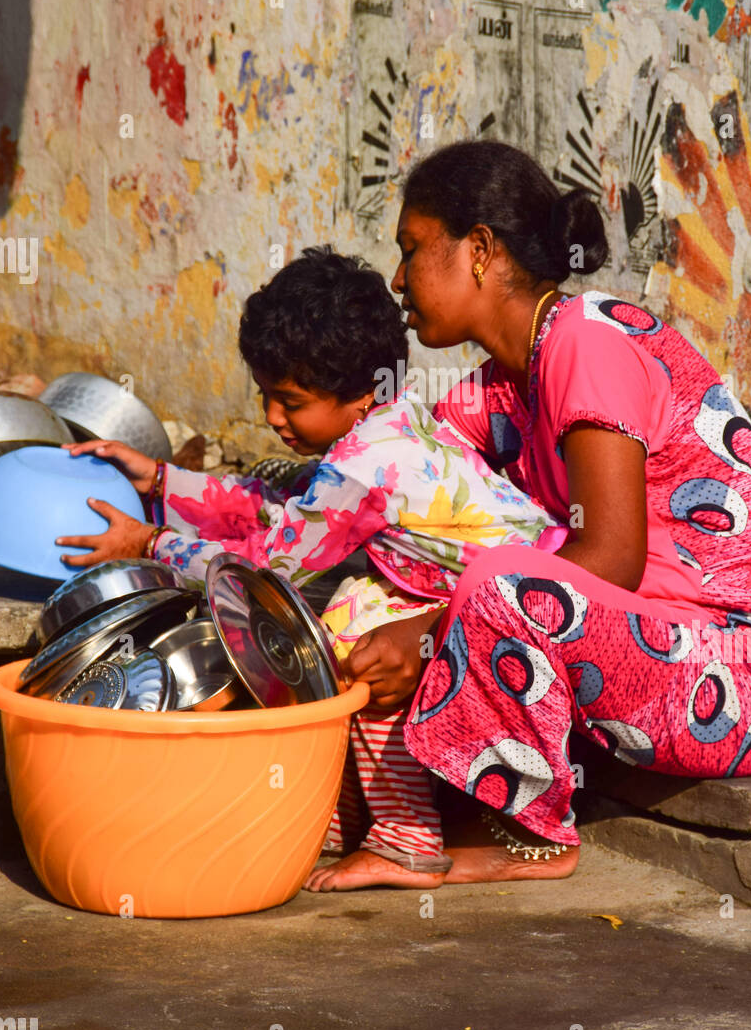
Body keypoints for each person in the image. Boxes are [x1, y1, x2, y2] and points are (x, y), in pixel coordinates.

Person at [342, 139, 751, 887]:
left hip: (749, 678)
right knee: (395, 566)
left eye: (411, 249)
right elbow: (398, 479)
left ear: (479, 250)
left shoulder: (586, 342)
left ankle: (535, 837)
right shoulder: (500, 385)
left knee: (499, 583)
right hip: (647, 651)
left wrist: (429, 631)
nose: (398, 278)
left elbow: (611, 558)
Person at [55, 245, 566, 889]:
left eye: (289, 402)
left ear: (354, 396)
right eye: (266, 396)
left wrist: (151, 543)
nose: (272, 418)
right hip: (528, 598)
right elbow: (286, 509)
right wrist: (162, 479)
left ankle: (405, 835)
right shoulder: (391, 422)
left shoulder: (359, 470)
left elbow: (262, 574)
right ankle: (354, 803)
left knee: (352, 627)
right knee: (355, 603)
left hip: (529, 624)